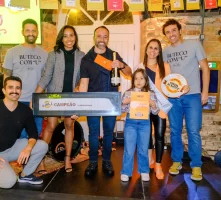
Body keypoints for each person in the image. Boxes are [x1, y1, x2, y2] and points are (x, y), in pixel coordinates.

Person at [0, 76, 48, 192]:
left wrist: (28, 148)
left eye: (17, 88)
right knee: (8, 183)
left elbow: (33, 134)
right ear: (4, 90)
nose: (14, 91)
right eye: (10, 87)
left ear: (21, 91)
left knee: (42, 145)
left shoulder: (25, 111)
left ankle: (26, 175)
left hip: (11, 147)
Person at [79, 26, 132, 177]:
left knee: (109, 132)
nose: (102, 39)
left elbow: (129, 73)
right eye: (99, 36)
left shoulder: (114, 55)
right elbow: (83, 84)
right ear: (94, 37)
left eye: (105, 36)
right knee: (93, 133)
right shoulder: (86, 59)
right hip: (93, 101)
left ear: (108, 38)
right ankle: (93, 162)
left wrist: (121, 65)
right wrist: (80, 105)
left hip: (111, 100)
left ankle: (107, 160)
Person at [162, 19, 210, 181]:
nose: (171, 34)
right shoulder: (165, 51)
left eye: (173, 30)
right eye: (168, 32)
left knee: (193, 131)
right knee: (175, 131)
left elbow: (205, 68)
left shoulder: (194, 45)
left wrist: (204, 92)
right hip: (174, 98)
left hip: (193, 96)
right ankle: (177, 161)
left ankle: (196, 165)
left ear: (179, 30)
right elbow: (167, 76)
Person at [33, 25, 85, 172]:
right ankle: (40, 159)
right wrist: (36, 97)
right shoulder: (53, 54)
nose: (69, 39)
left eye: (72, 35)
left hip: (71, 98)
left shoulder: (82, 55)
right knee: (50, 127)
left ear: (75, 37)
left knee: (69, 126)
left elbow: (83, 78)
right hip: (54, 97)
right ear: (61, 38)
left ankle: (68, 159)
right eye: (66, 36)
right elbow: (46, 77)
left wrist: (78, 88)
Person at [3, 18, 48, 138]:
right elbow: (6, 77)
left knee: (36, 133)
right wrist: (8, 98)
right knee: (19, 135)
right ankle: (19, 157)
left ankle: (32, 157)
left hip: (38, 100)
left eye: (33, 30)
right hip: (18, 100)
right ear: (22, 32)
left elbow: (46, 78)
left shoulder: (44, 54)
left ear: (37, 32)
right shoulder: (12, 52)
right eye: (27, 30)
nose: (31, 33)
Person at [137, 39, 171, 180]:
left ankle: (158, 165)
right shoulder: (140, 66)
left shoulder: (165, 67)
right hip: (145, 106)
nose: (153, 51)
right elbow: (137, 86)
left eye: (156, 48)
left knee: (159, 135)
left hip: (160, 106)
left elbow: (170, 86)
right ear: (146, 50)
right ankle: (150, 160)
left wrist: (182, 88)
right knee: (146, 135)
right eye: (150, 47)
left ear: (159, 52)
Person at [120, 68, 159, 182]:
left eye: (141, 78)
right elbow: (121, 109)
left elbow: (155, 112)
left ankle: (144, 171)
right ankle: (126, 172)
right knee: (129, 148)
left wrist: (154, 105)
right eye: (136, 78)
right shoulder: (128, 93)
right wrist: (124, 103)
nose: (138, 81)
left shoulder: (150, 94)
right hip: (130, 122)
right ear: (133, 80)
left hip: (145, 123)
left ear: (146, 81)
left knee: (143, 148)